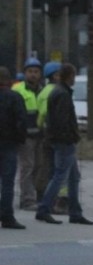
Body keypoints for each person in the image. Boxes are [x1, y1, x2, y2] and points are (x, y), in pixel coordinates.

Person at [35, 63, 93, 226]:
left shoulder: (59, 92)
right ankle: (44, 208)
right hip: (64, 142)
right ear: (69, 77)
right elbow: (62, 121)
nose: (74, 79)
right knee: (60, 176)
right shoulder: (62, 94)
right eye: (73, 76)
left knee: (74, 177)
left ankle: (75, 212)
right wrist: (71, 136)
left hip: (61, 140)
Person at [36, 61, 68, 212]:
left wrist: (40, 127)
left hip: (45, 134)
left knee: (48, 166)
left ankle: (45, 196)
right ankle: (59, 200)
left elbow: (40, 116)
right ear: (55, 76)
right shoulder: (59, 91)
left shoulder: (43, 92)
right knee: (61, 169)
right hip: (58, 135)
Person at [13, 56, 44, 211]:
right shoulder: (18, 89)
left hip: (40, 135)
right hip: (25, 136)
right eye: (30, 71)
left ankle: (35, 196)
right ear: (25, 73)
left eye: (36, 72)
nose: (33, 74)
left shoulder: (43, 90)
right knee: (27, 167)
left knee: (38, 166)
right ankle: (27, 200)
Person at [0, 66, 28, 229]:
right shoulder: (15, 97)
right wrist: (20, 139)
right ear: (9, 81)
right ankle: (7, 216)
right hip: (9, 144)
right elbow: (21, 121)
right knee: (7, 182)